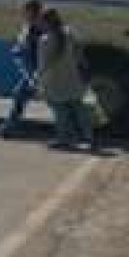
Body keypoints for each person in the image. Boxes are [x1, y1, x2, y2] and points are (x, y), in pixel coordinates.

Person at [36, 8, 94, 151]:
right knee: (79, 109)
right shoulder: (69, 33)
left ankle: (64, 138)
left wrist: (39, 81)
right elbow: (79, 54)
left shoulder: (45, 40)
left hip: (55, 80)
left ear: (45, 22)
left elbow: (43, 65)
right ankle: (88, 137)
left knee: (60, 111)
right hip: (73, 77)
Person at [0, 0, 43, 137]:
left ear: (31, 11)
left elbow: (33, 48)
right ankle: (9, 127)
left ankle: (72, 132)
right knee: (20, 95)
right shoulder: (31, 25)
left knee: (58, 102)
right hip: (31, 69)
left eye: (25, 10)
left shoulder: (36, 27)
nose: (22, 12)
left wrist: (21, 52)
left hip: (35, 69)